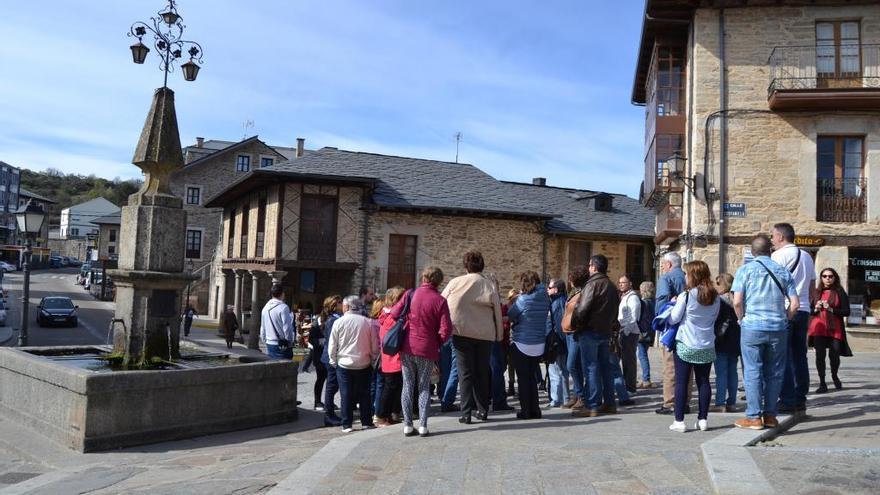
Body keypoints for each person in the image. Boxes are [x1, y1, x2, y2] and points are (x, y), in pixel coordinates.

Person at [732, 234, 799, 430]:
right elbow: (795, 304)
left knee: (752, 371)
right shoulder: (783, 272)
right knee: (775, 372)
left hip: (752, 326)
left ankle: (753, 417)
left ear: (753, 252)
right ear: (770, 250)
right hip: (778, 327)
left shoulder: (744, 270)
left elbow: (737, 301)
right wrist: (785, 318)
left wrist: (741, 319)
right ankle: (770, 416)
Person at [442, 251, 503, 424]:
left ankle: (466, 412)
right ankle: (483, 410)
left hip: (461, 331)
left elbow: (441, 302)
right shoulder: (489, 285)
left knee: (465, 373)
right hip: (484, 334)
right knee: (482, 372)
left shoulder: (455, 282)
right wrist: (499, 334)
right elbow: (497, 311)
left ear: (465, 265)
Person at [395, 266, 453, 437]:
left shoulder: (410, 294)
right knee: (424, 387)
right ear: (438, 281)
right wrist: (437, 342)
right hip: (427, 349)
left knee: (407, 386)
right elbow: (446, 329)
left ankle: (407, 424)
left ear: (424, 278)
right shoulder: (440, 300)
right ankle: (423, 425)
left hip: (407, 347)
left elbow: (395, 313)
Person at [667, 261, 720, 432]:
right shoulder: (715, 296)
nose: (685, 276)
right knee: (704, 381)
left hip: (686, 343)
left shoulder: (687, 295)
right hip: (706, 344)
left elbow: (674, 318)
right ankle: (703, 419)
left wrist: (671, 305)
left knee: (681, 382)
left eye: (686, 273)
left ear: (693, 275)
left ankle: (679, 421)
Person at [770, 222, 816, 415]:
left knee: (784, 356)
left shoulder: (777, 256)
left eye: (773, 236)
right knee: (800, 356)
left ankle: (787, 399)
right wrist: (808, 304)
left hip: (785, 310)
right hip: (803, 309)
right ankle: (800, 398)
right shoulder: (807, 256)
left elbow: (773, 284)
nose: (771, 239)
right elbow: (813, 285)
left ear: (781, 237)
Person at [571, 254, 620, 417]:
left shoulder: (592, 285)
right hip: (605, 331)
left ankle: (592, 405)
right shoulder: (612, 286)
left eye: (590, 265)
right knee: (605, 368)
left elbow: (582, 309)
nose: (588, 267)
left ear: (594, 267)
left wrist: (577, 324)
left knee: (591, 368)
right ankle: (609, 403)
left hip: (590, 331)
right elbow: (615, 312)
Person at [328, 296, 378, 432]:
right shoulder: (368, 322)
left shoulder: (339, 322)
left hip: (344, 364)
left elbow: (332, 344)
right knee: (364, 394)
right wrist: (373, 359)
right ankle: (366, 422)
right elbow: (374, 345)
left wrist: (333, 360)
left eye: (344, 306)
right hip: (364, 362)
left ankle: (347, 424)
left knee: (346, 394)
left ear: (347, 307)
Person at [507, 271, 551, 419]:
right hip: (539, 342)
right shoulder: (545, 297)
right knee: (532, 376)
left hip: (522, 343)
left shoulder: (523, 300)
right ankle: (535, 410)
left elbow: (511, 314)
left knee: (523, 378)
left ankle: (526, 410)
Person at [655, 252, 689, 415]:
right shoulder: (688, 278)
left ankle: (669, 402)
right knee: (686, 366)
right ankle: (685, 401)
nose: (661, 267)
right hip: (688, 328)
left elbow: (662, 301)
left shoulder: (666, 278)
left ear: (669, 264)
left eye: (663, 264)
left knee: (669, 366)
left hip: (671, 327)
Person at [809, 268, 852, 393]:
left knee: (834, 356)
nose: (827, 278)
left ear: (835, 278)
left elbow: (846, 311)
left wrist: (831, 309)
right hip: (819, 328)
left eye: (830, 276)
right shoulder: (816, 293)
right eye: (824, 276)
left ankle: (834, 376)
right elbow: (809, 311)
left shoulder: (840, 292)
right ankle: (822, 383)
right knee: (820, 356)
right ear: (821, 278)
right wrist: (816, 308)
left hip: (835, 329)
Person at [376, 287, 406, 426]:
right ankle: (381, 416)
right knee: (390, 388)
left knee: (393, 388)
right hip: (393, 358)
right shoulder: (392, 319)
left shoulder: (387, 316)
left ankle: (389, 414)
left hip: (391, 358)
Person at [712, 273, 741, 413]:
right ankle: (732, 402)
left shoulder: (719, 301)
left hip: (721, 339)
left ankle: (720, 402)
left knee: (721, 373)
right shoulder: (738, 298)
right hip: (735, 339)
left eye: (717, 283)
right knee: (732, 372)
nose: (714, 285)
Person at [563, 267, 590, 410]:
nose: (569, 280)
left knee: (571, 364)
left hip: (575, 332)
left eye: (571, 278)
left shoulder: (582, 293)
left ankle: (582, 396)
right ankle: (577, 394)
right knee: (576, 365)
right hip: (568, 331)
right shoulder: (573, 293)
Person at [310, 296, 340, 412]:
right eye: (338, 303)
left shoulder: (337, 318)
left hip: (330, 353)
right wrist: (325, 342)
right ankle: (317, 402)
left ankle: (330, 402)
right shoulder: (319, 319)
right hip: (320, 353)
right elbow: (312, 338)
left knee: (331, 380)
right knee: (321, 378)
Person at [321, 296, 344, 427]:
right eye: (340, 303)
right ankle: (328, 415)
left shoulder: (336, 319)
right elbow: (331, 342)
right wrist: (334, 359)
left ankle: (330, 413)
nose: (343, 304)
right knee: (331, 386)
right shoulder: (332, 321)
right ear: (335, 305)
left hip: (334, 357)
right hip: (331, 358)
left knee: (333, 386)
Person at [546, 278, 570, 408]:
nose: (547, 290)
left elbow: (560, 325)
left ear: (556, 289)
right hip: (559, 341)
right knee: (559, 370)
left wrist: (558, 341)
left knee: (558, 371)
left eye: (549, 288)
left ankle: (560, 399)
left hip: (558, 342)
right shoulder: (560, 300)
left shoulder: (557, 303)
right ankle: (561, 398)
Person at [617, 275, 641, 394]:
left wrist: (625, 332)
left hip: (630, 332)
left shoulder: (633, 298)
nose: (621, 284)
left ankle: (630, 387)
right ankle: (626, 385)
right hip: (623, 331)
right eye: (620, 282)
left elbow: (633, 317)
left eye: (623, 282)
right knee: (625, 360)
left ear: (630, 283)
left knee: (629, 360)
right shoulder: (623, 297)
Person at [260, 284, 295, 360]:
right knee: (285, 368)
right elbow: (287, 328)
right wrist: (289, 341)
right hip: (282, 344)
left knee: (273, 367)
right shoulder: (284, 307)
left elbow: (263, 327)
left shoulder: (265, 308)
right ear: (282, 294)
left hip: (270, 343)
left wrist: (264, 340)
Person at [637, 281, 656, 389]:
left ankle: (646, 379)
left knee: (642, 356)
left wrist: (640, 330)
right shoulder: (653, 301)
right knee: (643, 355)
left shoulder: (644, 302)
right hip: (651, 331)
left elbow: (644, 319)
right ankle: (645, 378)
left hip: (644, 332)